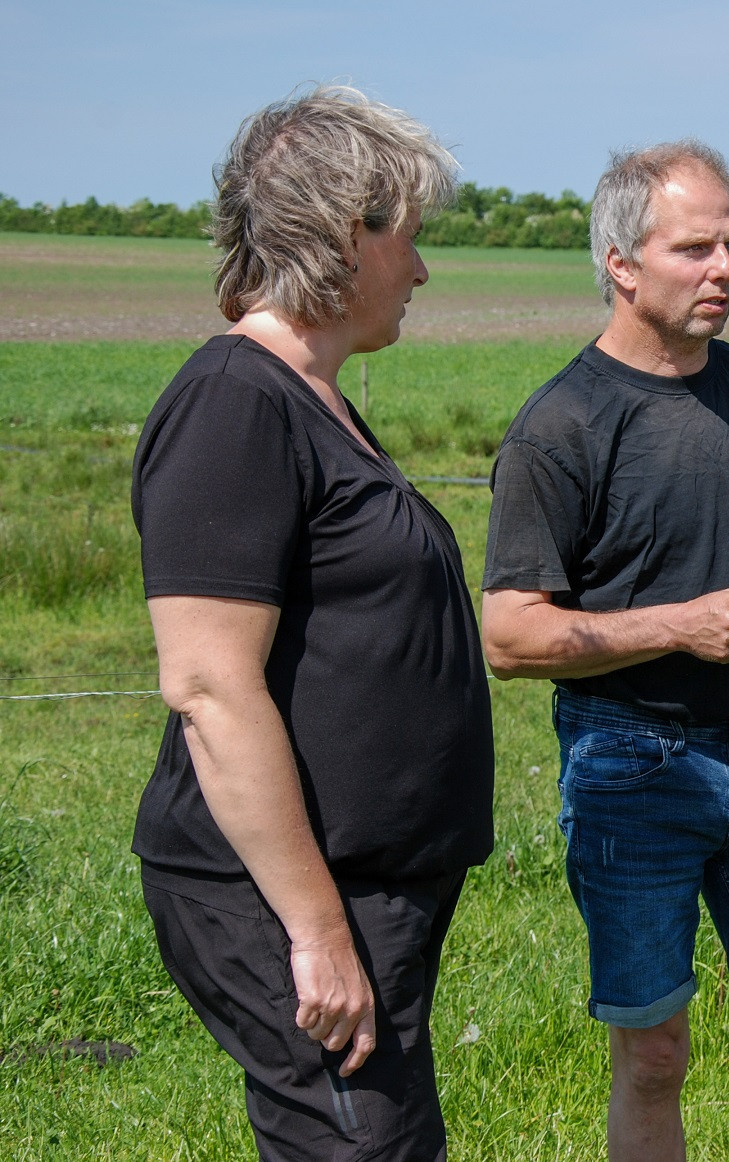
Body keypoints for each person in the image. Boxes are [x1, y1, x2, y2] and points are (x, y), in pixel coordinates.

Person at [131, 86, 494, 1161]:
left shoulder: (315, 396)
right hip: (288, 897)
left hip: (361, 887)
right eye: (411, 238)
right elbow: (206, 684)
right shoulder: (236, 400)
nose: (421, 271)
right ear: (348, 234)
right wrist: (317, 926)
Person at [480, 141, 729, 1161]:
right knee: (653, 1051)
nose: (725, 268)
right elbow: (510, 636)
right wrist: (676, 626)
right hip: (629, 761)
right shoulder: (560, 426)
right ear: (622, 262)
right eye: (696, 247)